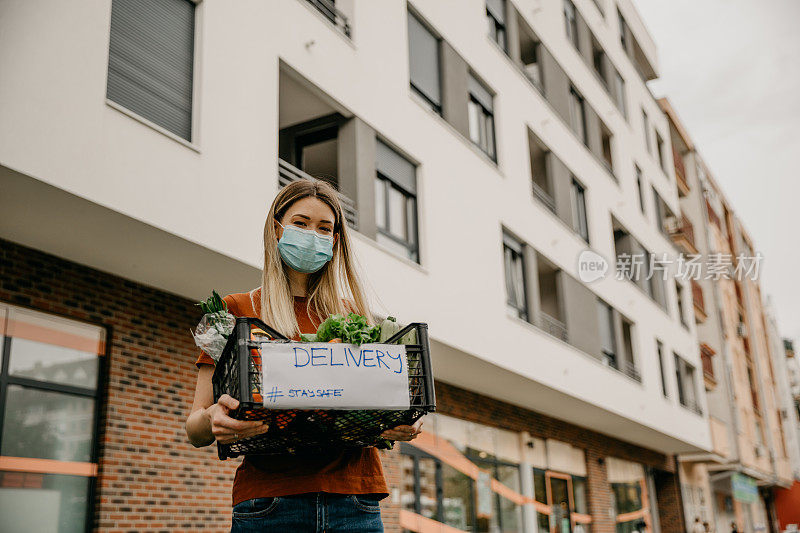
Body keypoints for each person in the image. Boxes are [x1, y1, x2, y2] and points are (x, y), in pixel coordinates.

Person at [184, 178, 423, 532]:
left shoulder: (356, 317)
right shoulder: (232, 311)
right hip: (270, 502)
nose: (313, 234)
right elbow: (195, 427)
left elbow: (375, 402)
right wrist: (215, 419)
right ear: (277, 229)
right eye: (301, 223)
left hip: (354, 502)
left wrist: (401, 419)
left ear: (335, 240)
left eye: (324, 228)